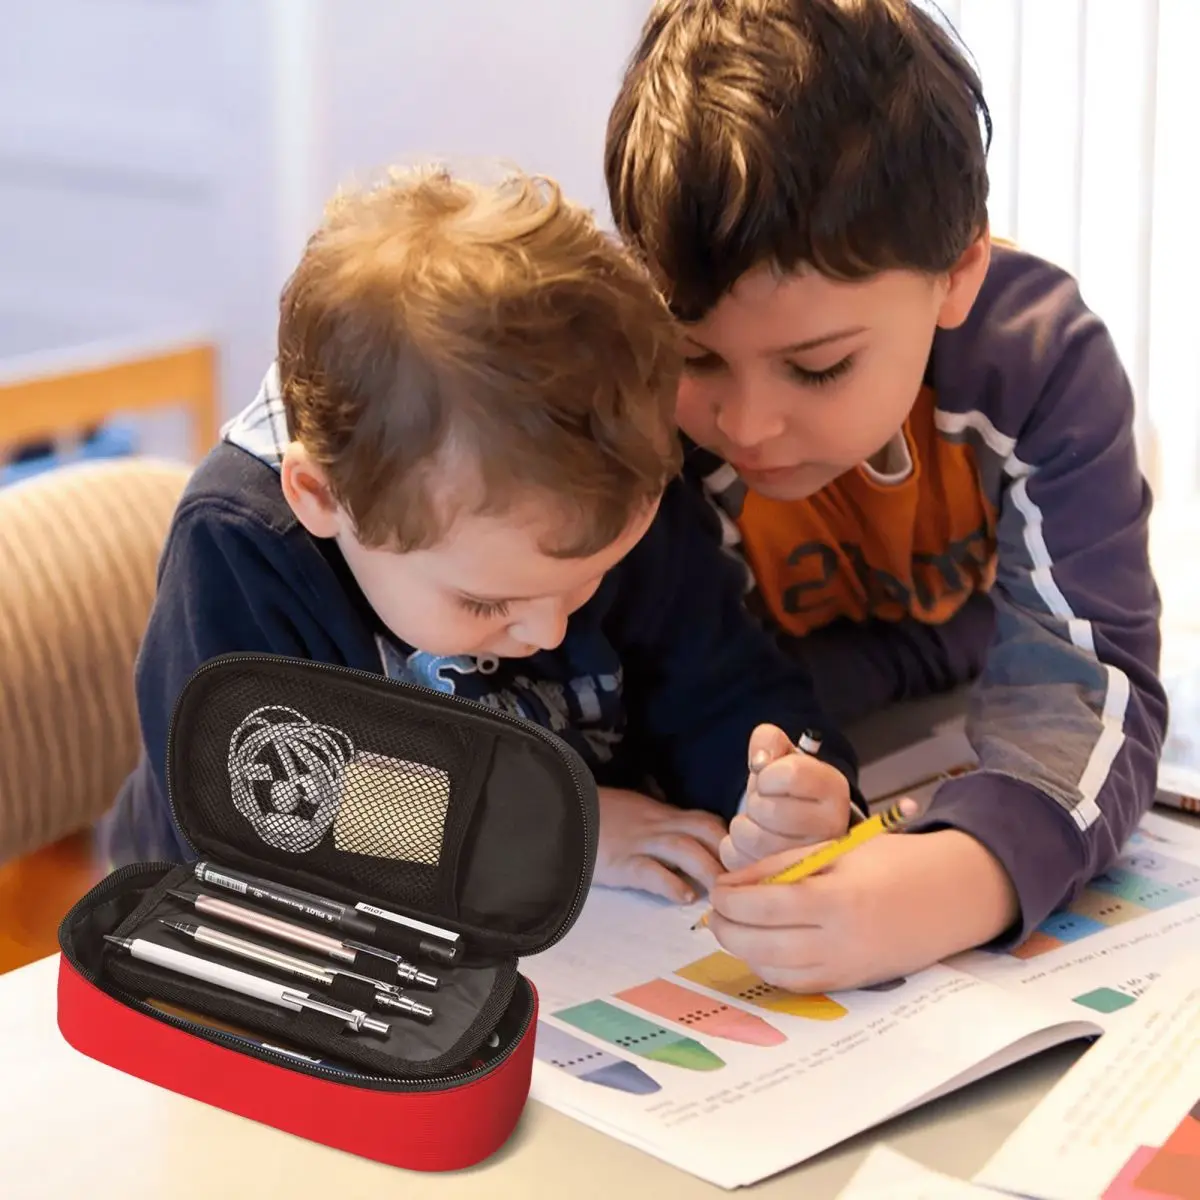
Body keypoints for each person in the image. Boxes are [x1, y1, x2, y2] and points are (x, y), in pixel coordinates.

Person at [100, 165, 864, 907]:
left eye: (588, 581)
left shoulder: (601, 488)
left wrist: (783, 792)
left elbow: (719, 684)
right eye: (484, 603)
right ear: (323, 499)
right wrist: (562, 830)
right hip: (223, 938)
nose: (550, 625)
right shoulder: (243, 547)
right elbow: (257, 799)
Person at [603, 0, 1167, 989]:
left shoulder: (1041, 364)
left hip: (965, 699)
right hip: (836, 723)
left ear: (957, 274)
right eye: (694, 355)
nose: (746, 425)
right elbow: (673, 696)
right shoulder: (634, 398)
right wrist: (780, 785)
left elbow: (1090, 681)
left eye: (817, 368)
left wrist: (968, 875)